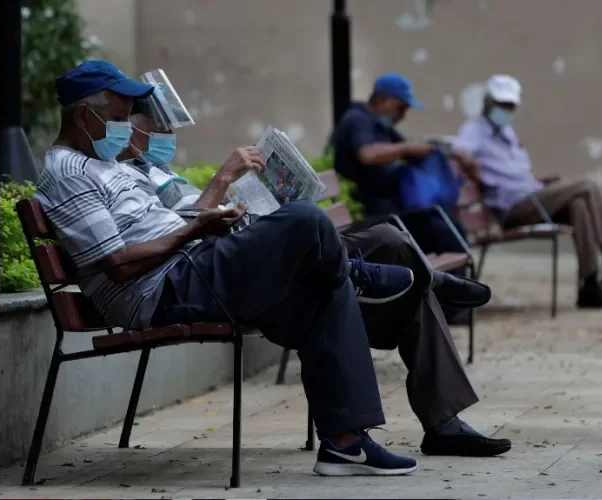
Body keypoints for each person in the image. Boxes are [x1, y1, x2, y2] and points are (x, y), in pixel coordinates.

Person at [34, 60, 421, 477]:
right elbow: (117, 265)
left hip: (189, 266)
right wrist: (195, 229)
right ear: (82, 115)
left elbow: (161, 228)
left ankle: (345, 445)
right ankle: (353, 273)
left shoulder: (115, 166)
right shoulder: (68, 172)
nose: (127, 127)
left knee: (322, 290)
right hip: (161, 288)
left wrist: (212, 221)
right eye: (118, 118)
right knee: (304, 219)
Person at [116, 93, 512, 458]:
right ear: (127, 129)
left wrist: (244, 206)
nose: (162, 137)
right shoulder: (117, 182)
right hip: (242, 268)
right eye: (154, 129)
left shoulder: (154, 171)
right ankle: (429, 291)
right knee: (395, 271)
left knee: (389, 239)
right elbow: (181, 237)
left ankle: (441, 411)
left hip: (258, 248)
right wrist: (222, 180)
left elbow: (196, 219)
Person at [454, 74, 602, 309]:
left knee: (578, 205)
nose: (506, 110)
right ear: (489, 103)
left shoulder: (507, 133)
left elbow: (513, 175)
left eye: (510, 106)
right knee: (586, 186)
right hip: (512, 207)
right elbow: (457, 149)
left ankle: (589, 286)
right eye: (502, 105)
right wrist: (471, 163)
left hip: (531, 197)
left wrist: (538, 183)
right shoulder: (475, 130)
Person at [330, 72, 481, 324]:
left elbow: (409, 146)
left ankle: (450, 303)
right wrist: (407, 149)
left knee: (447, 226)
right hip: (373, 215)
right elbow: (368, 154)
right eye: (402, 107)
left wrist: (441, 150)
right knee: (443, 229)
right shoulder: (358, 120)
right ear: (386, 101)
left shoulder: (380, 124)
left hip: (393, 210)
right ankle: (451, 308)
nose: (403, 114)